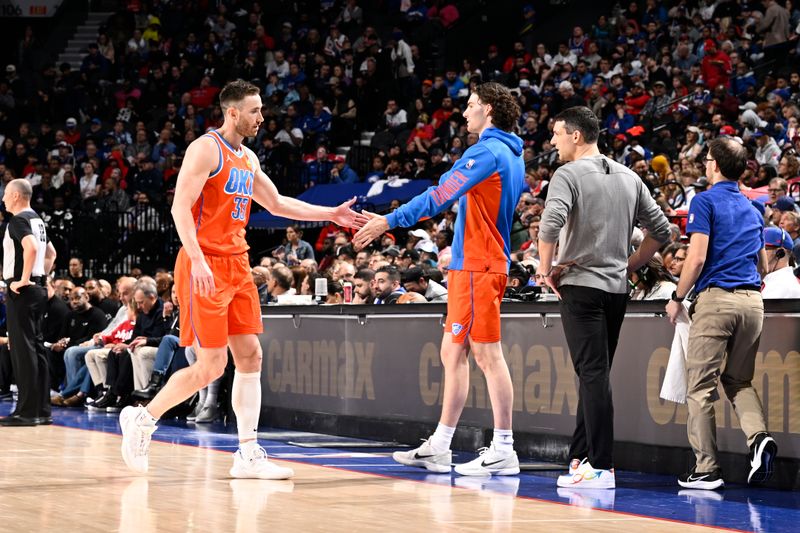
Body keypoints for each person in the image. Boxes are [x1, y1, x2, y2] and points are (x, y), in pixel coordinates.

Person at [119, 80, 366, 478]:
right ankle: (143, 419)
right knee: (212, 365)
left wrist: (330, 213)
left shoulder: (248, 158)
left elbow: (278, 203)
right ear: (232, 112)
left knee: (251, 355)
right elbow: (180, 208)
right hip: (205, 264)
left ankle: (247, 453)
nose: (262, 117)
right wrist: (197, 259)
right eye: (255, 110)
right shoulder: (205, 149)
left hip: (237, 264)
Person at [354, 82, 525, 476]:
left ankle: (504, 448)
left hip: (479, 265)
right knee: (453, 351)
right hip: (475, 263)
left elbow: (438, 196)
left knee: (487, 354)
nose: (464, 113)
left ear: (489, 111)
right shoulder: (512, 153)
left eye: (471, 106)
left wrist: (388, 220)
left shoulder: (487, 151)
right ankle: (441, 445)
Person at [537, 106, 671, 489]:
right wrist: (629, 266)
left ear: (576, 136)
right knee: (593, 374)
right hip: (616, 291)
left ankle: (600, 466)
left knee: (592, 374)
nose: (552, 141)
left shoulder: (567, 174)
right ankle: (580, 457)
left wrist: (546, 271)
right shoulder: (629, 175)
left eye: (556, 133)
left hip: (581, 286)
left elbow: (549, 226)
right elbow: (661, 231)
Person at [665, 137, 776, 490]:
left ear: (713, 164)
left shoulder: (704, 201)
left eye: (708, 159)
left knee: (700, 388)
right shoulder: (753, 209)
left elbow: (695, 258)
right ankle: (758, 439)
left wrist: (677, 296)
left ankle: (706, 469)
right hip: (752, 304)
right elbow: (762, 265)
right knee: (739, 380)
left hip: (717, 301)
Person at [0, 179, 57, 426]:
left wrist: (23, 279)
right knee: (36, 348)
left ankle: (26, 412)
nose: (2, 199)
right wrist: (39, 276)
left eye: (4, 194)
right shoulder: (38, 220)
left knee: (23, 351)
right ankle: (41, 410)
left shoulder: (18, 220)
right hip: (38, 289)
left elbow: (31, 247)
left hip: (23, 292)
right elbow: (51, 253)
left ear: (15, 196)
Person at [761, 227, 800, 298]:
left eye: (763, 249)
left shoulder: (786, 285)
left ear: (780, 253)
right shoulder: (768, 281)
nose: (758, 254)